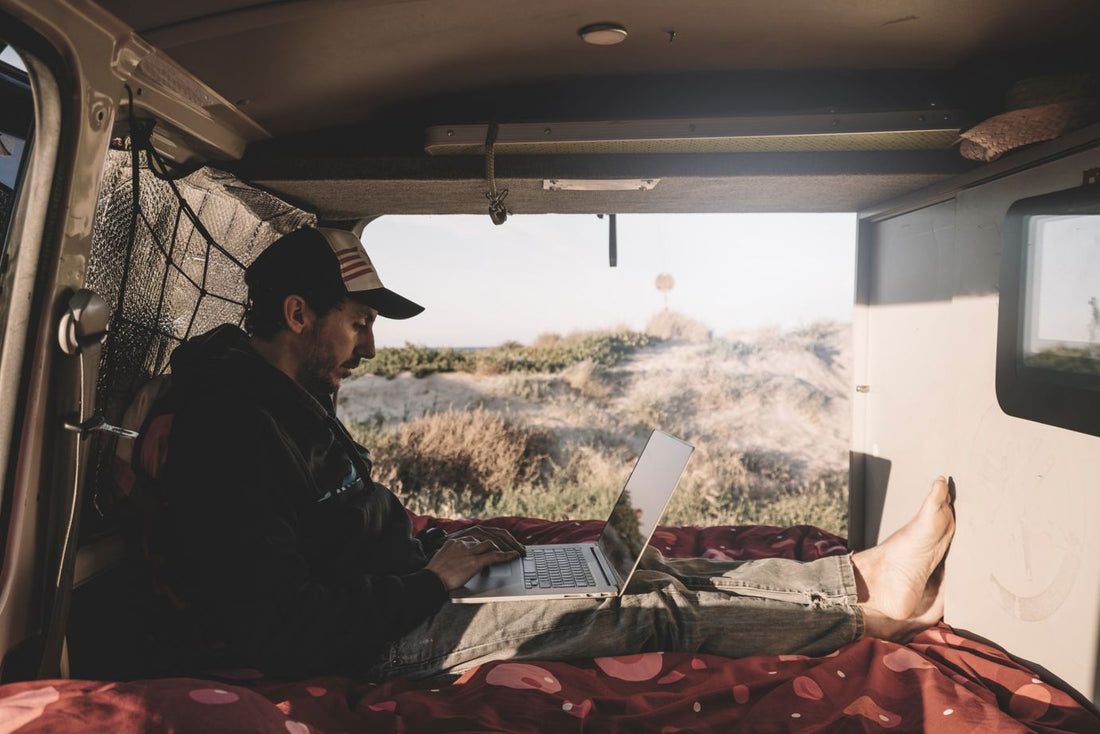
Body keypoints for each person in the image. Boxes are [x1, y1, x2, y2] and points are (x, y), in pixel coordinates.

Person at [161, 226, 955, 680]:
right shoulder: (229, 432)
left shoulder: (287, 404)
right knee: (647, 608)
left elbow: (339, 528)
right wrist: (433, 580)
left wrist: (441, 550)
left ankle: (854, 578)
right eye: (359, 322)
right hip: (387, 635)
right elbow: (281, 624)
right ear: (299, 314)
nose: (369, 346)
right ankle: (872, 613)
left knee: (640, 565)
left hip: (416, 583)